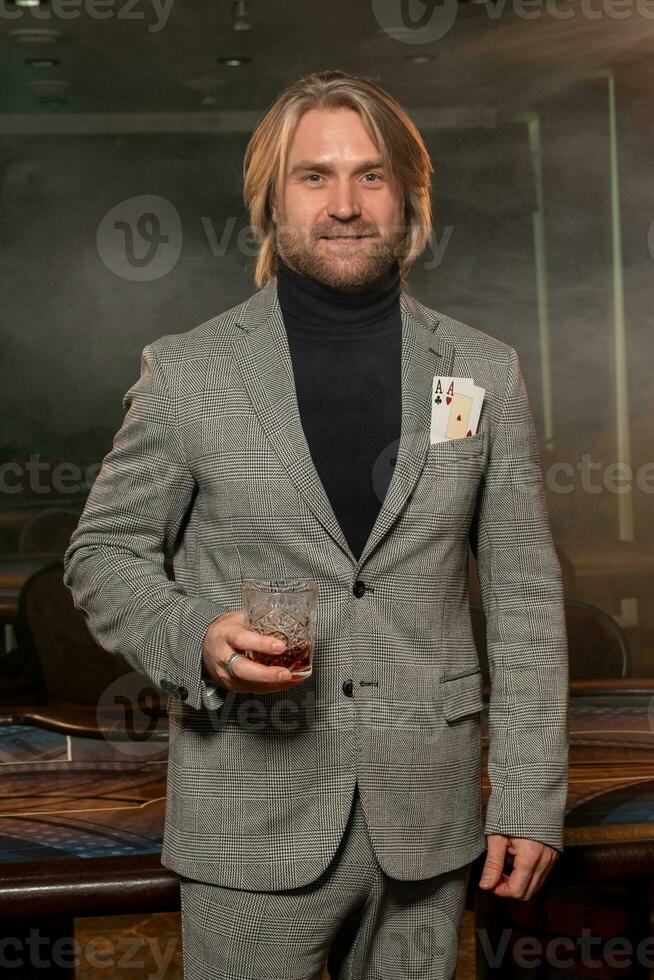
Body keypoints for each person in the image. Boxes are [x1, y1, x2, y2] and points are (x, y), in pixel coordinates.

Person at [63, 69, 569, 980]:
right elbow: (104, 554)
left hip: (430, 819)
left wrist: (530, 797)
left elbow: (525, 596)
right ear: (270, 199)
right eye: (314, 176)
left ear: (410, 197)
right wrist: (198, 635)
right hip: (250, 820)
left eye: (370, 176)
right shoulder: (189, 372)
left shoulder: (485, 370)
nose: (344, 204)